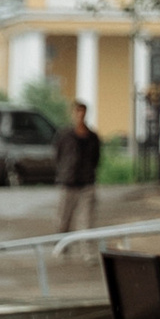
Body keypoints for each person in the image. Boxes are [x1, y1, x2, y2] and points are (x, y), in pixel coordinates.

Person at [54, 100, 101, 235]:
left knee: (86, 222)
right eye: (77, 112)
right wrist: (63, 171)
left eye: (82, 112)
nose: (80, 115)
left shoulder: (92, 137)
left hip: (87, 183)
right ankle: (61, 244)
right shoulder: (64, 135)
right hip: (68, 182)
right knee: (63, 220)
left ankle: (86, 247)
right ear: (72, 113)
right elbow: (58, 154)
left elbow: (96, 158)